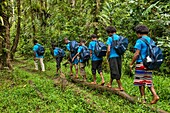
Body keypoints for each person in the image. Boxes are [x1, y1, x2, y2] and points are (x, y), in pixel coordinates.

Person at [130, 25, 159, 104]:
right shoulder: (151, 40)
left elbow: (136, 54)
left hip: (141, 63)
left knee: (141, 82)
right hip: (149, 63)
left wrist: (131, 63)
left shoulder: (140, 41)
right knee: (148, 80)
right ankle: (155, 95)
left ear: (139, 33)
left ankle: (143, 99)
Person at [105, 26, 123, 91]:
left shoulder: (110, 38)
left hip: (112, 57)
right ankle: (110, 83)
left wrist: (107, 57)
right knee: (115, 69)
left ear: (109, 33)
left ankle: (120, 87)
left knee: (115, 71)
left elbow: (109, 50)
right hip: (119, 56)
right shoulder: (119, 38)